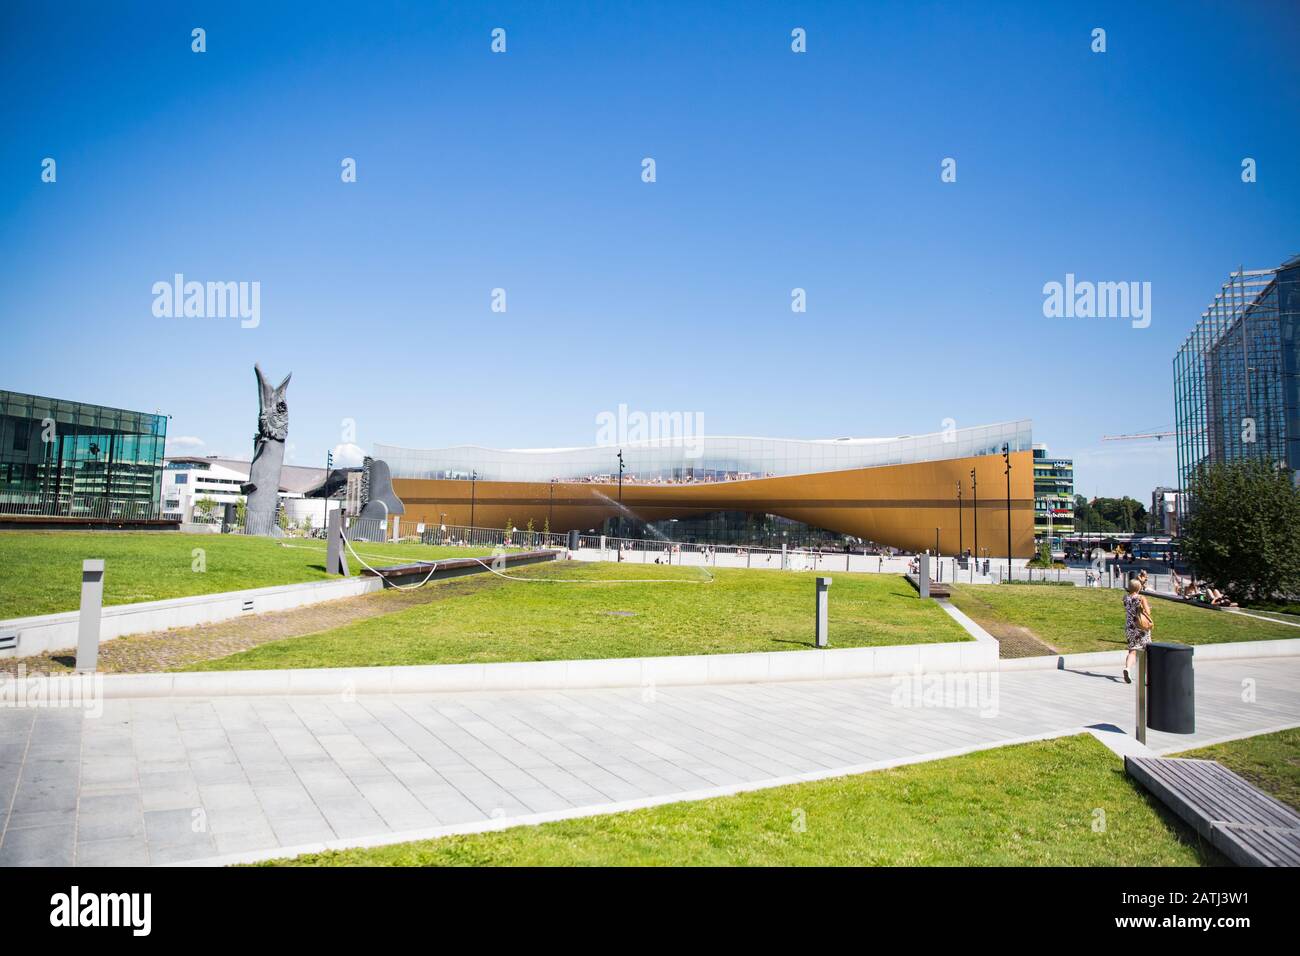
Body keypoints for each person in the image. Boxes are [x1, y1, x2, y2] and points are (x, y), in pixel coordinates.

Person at [1122, 577, 1154, 684]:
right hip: (1141, 627)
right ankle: (1147, 676)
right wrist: (1148, 607)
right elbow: (1148, 612)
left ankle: (1127, 668)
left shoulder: (1125, 598)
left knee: (1132, 650)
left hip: (1130, 627)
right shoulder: (1141, 598)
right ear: (1139, 587)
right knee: (1146, 650)